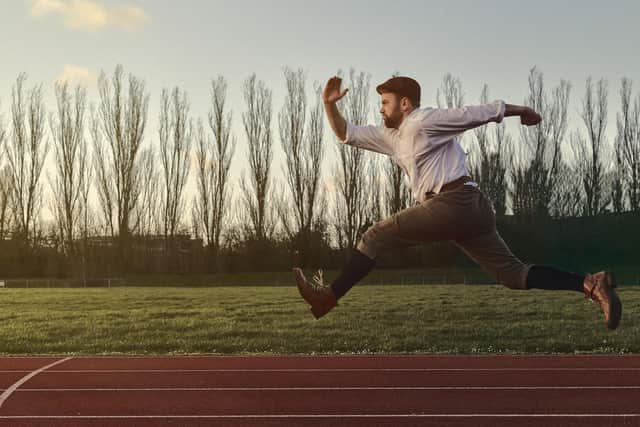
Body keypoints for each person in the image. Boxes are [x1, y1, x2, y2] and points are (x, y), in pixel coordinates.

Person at [293, 75, 622, 330]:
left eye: (385, 102)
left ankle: (327, 299)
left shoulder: (423, 120)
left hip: (456, 202)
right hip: (471, 211)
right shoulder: (391, 139)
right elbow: (345, 134)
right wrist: (328, 103)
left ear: (405, 103)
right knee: (513, 275)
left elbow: (471, 114)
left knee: (373, 237)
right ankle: (590, 284)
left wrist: (521, 110)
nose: (380, 109)